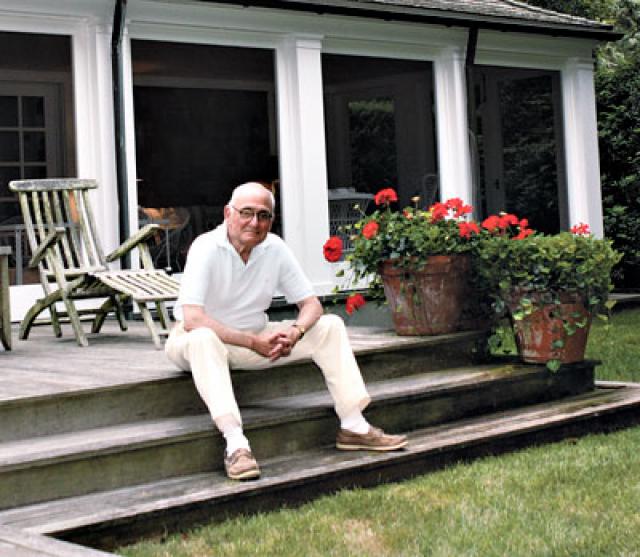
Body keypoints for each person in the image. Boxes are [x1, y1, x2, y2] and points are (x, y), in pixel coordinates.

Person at [165, 182, 407, 481]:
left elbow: (311, 305)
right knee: (203, 338)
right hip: (197, 342)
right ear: (228, 213)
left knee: (329, 326)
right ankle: (236, 445)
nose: (255, 222)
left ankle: (353, 425)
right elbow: (193, 318)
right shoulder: (206, 247)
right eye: (247, 213)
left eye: (264, 215)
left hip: (254, 337)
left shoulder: (274, 248)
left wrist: (295, 332)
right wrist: (253, 342)